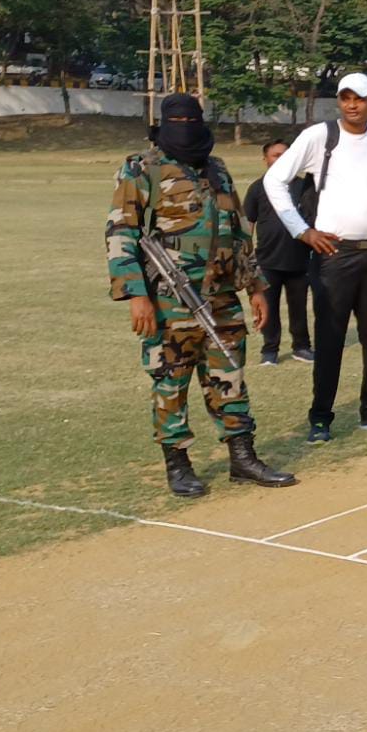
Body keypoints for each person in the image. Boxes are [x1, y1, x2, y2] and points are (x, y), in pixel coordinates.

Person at [105, 93, 296, 495]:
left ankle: (242, 457)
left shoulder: (217, 169)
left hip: (222, 295)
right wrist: (136, 294)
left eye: (192, 119)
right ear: (163, 124)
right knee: (171, 381)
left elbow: (240, 232)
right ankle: (178, 464)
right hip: (169, 299)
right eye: (177, 120)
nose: (185, 126)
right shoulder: (142, 168)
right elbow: (122, 230)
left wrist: (257, 287)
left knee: (229, 376)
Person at [263, 73, 367, 444]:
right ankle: (321, 417)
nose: (352, 105)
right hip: (333, 256)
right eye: (345, 98)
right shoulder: (319, 136)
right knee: (330, 338)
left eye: (360, 98)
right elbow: (275, 180)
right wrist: (301, 230)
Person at [243, 139, 315, 366]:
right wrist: (246, 255)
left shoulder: (304, 187)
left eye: (285, 155)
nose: (281, 159)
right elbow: (249, 223)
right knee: (268, 307)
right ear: (265, 159)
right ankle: (270, 349)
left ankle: (301, 347)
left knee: (299, 307)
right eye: (275, 155)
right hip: (268, 260)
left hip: (299, 259)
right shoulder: (257, 187)